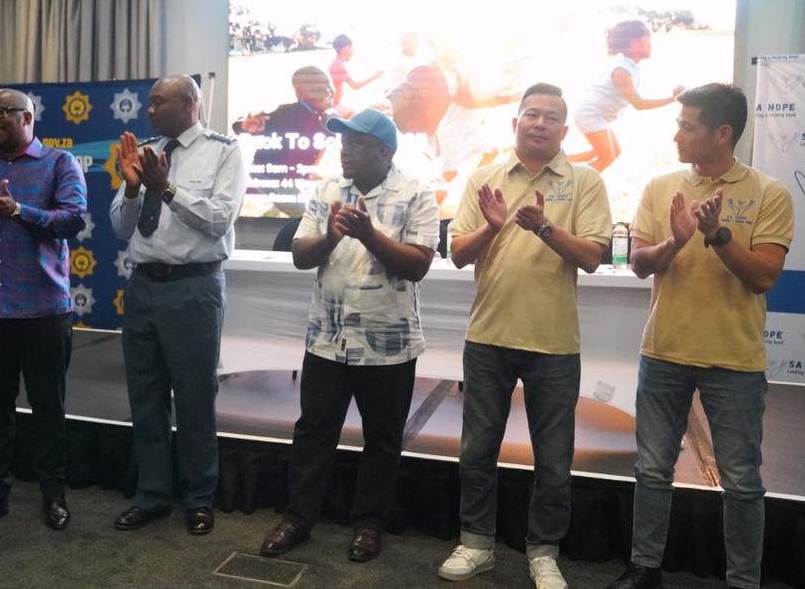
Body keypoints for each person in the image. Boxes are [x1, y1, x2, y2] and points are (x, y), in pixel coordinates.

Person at [608, 84, 794, 589]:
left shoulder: (769, 193)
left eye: (687, 126)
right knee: (652, 470)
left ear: (722, 133)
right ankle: (645, 568)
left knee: (741, 481)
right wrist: (677, 240)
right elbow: (640, 263)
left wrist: (718, 236)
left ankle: (743, 580)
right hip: (663, 352)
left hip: (735, 361)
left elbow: (763, 277)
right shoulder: (661, 186)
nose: (677, 135)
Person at [438, 83, 611, 589]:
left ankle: (544, 552)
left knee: (553, 459)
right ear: (515, 123)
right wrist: (493, 228)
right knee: (477, 450)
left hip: (554, 343)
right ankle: (476, 544)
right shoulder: (484, 178)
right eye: (531, 114)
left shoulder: (585, 181)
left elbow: (593, 257)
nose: (540, 123)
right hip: (488, 337)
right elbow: (458, 254)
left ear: (565, 129)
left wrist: (545, 229)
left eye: (551, 117)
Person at [258, 108, 438, 563]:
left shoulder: (416, 193)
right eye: (343, 142)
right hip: (328, 338)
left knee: (382, 437)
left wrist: (370, 235)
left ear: (384, 152)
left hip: (388, 343)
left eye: (356, 144)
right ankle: (298, 519)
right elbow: (301, 255)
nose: (345, 151)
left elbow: (417, 265)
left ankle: (370, 524)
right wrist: (331, 237)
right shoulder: (327, 190)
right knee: (314, 432)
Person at [0, 88, 87, 534]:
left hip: (45, 309)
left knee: (48, 409)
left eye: (2, 113)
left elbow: (73, 219)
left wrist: (18, 211)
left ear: (27, 117)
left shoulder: (59, 163)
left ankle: (53, 495)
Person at [109, 75, 246, 536]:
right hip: (144, 286)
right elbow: (120, 228)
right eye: (149, 103)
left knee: (194, 399)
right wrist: (133, 188)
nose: (149, 111)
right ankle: (151, 496)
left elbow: (220, 219)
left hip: (194, 288)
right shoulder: (145, 151)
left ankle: (199, 498)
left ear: (190, 103)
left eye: (158, 102)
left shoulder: (224, 151)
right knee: (144, 397)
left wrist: (166, 188)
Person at [568, 20, 685, 172]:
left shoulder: (629, 67)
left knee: (614, 152)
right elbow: (639, 104)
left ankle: (560, 161)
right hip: (590, 114)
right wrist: (674, 98)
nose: (651, 45)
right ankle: (573, 182)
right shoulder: (623, 71)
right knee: (607, 156)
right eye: (648, 41)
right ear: (635, 43)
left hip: (596, 115)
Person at [233, 66, 335, 215]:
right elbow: (246, 125)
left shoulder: (325, 116)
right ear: (300, 93)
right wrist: (244, 125)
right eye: (318, 89)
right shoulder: (287, 114)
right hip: (270, 175)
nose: (328, 91)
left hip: (292, 172)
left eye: (329, 85)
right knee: (302, 214)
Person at [329, 33, 383, 110]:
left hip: (333, 106)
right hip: (332, 108)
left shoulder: (335, 64)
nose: (353, 53)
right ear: (346, 48)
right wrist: (374, 77)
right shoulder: (337, 66)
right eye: (351, 48)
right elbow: (355, 86)